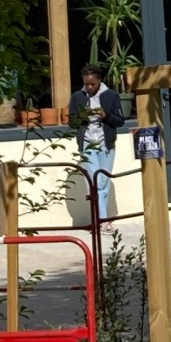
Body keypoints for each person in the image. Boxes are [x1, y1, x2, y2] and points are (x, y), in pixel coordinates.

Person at [68, 64, 125, 231]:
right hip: (87, 144)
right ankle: (102, 221)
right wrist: (82, 116)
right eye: (86, 84)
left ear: (99, 80)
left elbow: (120, 121)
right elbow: (71, 122)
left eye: (92, 84)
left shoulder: (111, 96)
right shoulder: (78, 97)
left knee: (104, 182)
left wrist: (105, 116)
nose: (89, 87)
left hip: (106, 144)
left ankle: (100, 220)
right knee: (96, 182)